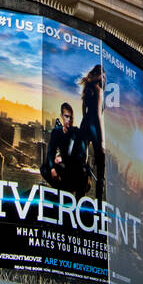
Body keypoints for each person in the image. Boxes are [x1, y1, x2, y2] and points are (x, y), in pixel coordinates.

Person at [41, 103, 86, 194]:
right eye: (67, 116)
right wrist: (53, 169)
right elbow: (50, 152)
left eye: (71, 117)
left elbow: (81, 157)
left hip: (74, 169)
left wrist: (63, 158)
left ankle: (66, 190)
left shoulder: (77, 133)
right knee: (45, 168)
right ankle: (61, 190)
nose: (69, 120)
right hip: (62, 168)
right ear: (62, 116)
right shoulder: (56, 132)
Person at [78, 63, 106, 201]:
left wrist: (85, 123)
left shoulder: (87, 88)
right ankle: (99, 198)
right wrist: (101, 140)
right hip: (94, 125)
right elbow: (98, 115)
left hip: (85, 123)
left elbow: (84, 110)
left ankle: (80, 193)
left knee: (83, 160)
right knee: (101, 162)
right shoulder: (98, 90)